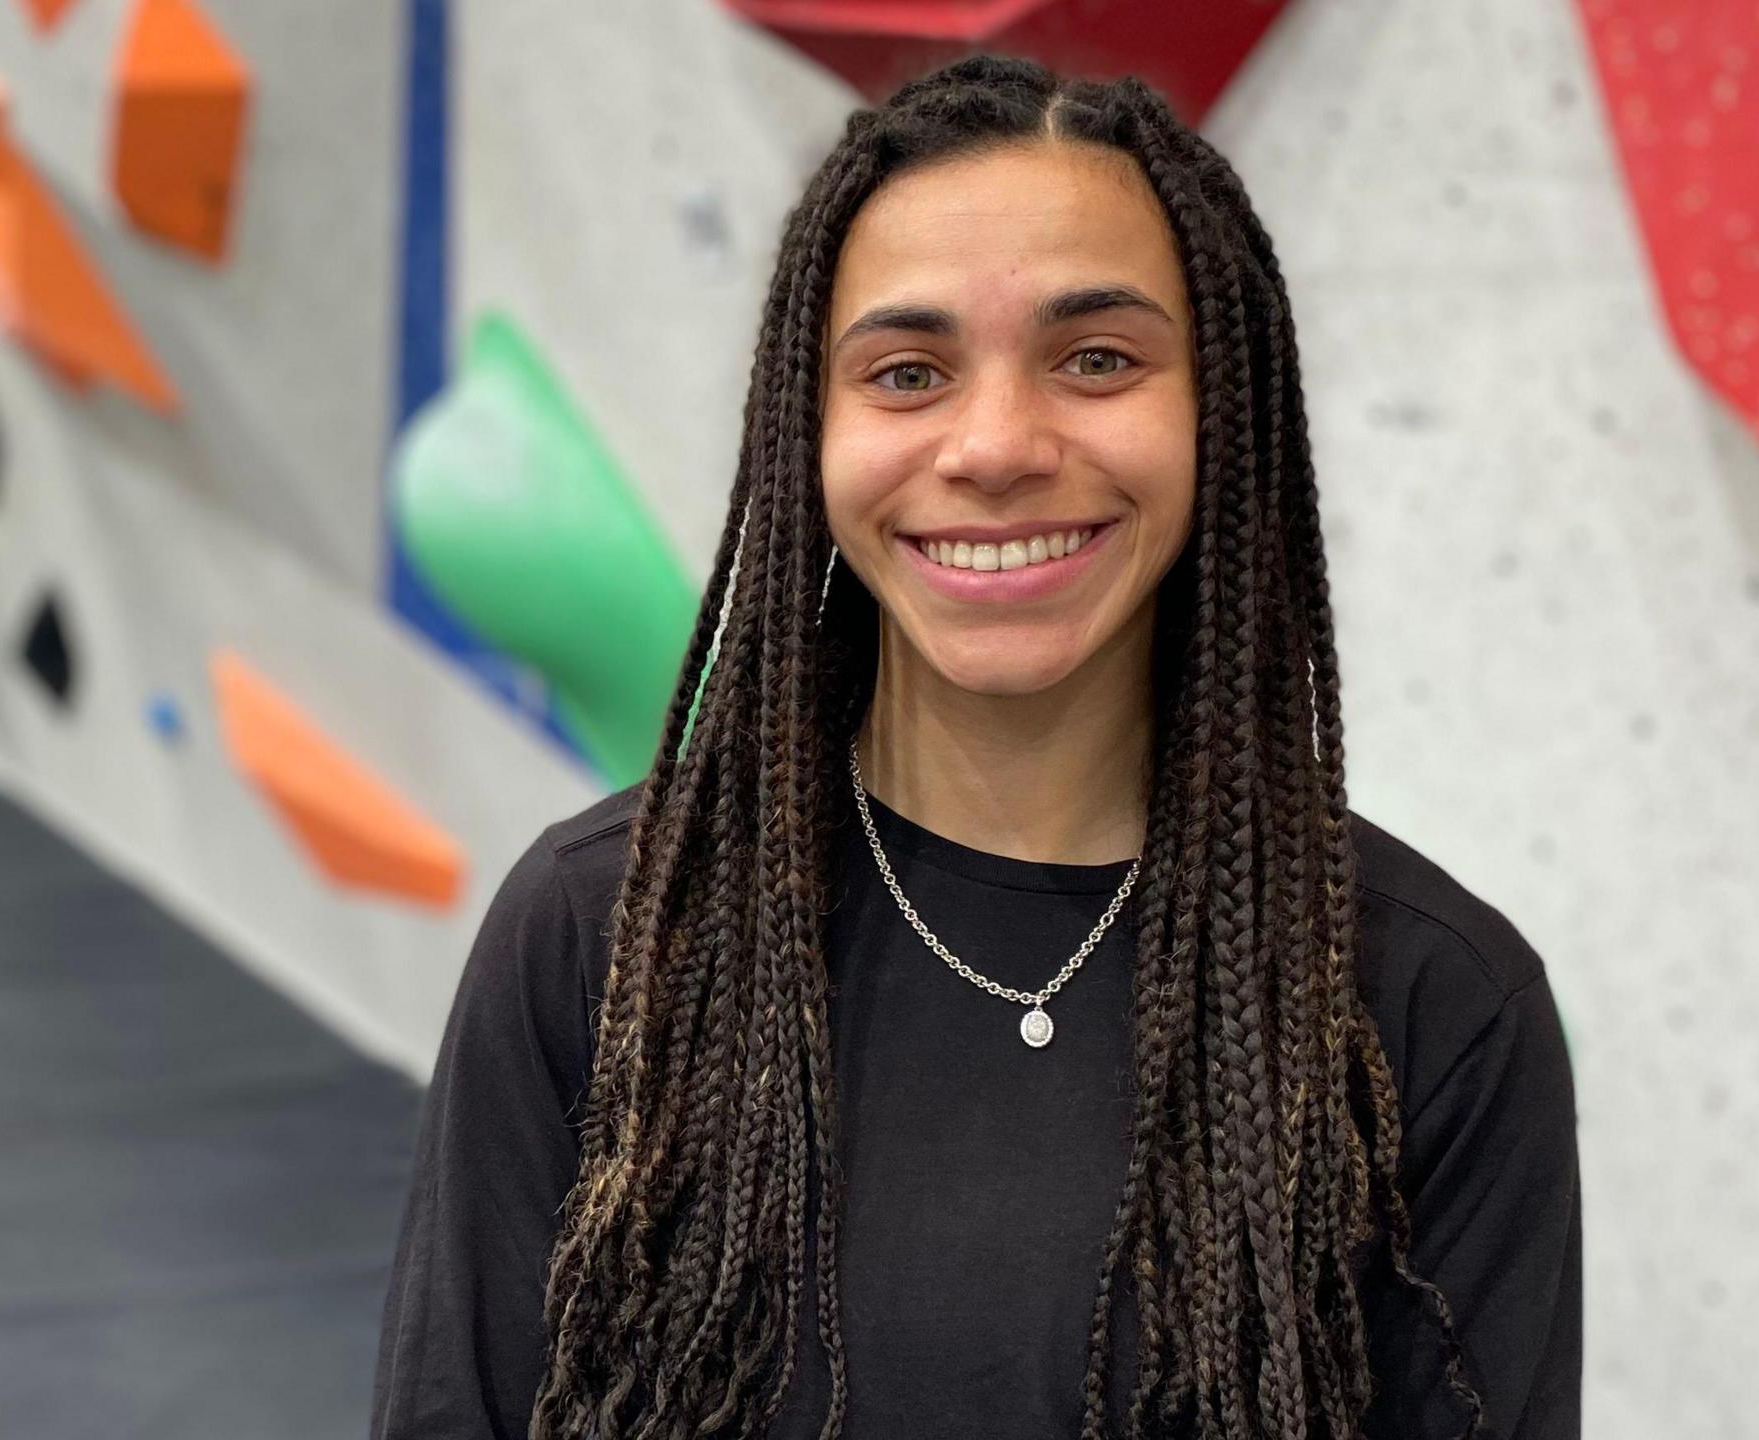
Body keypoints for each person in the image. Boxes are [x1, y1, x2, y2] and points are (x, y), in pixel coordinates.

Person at [369, 54, 1580, 1440]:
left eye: (1099, 359)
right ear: (808, 437)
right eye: (906, 372)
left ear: (1221, 416)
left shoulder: (1428, 1003)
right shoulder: (603, 943)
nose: (996, 443)